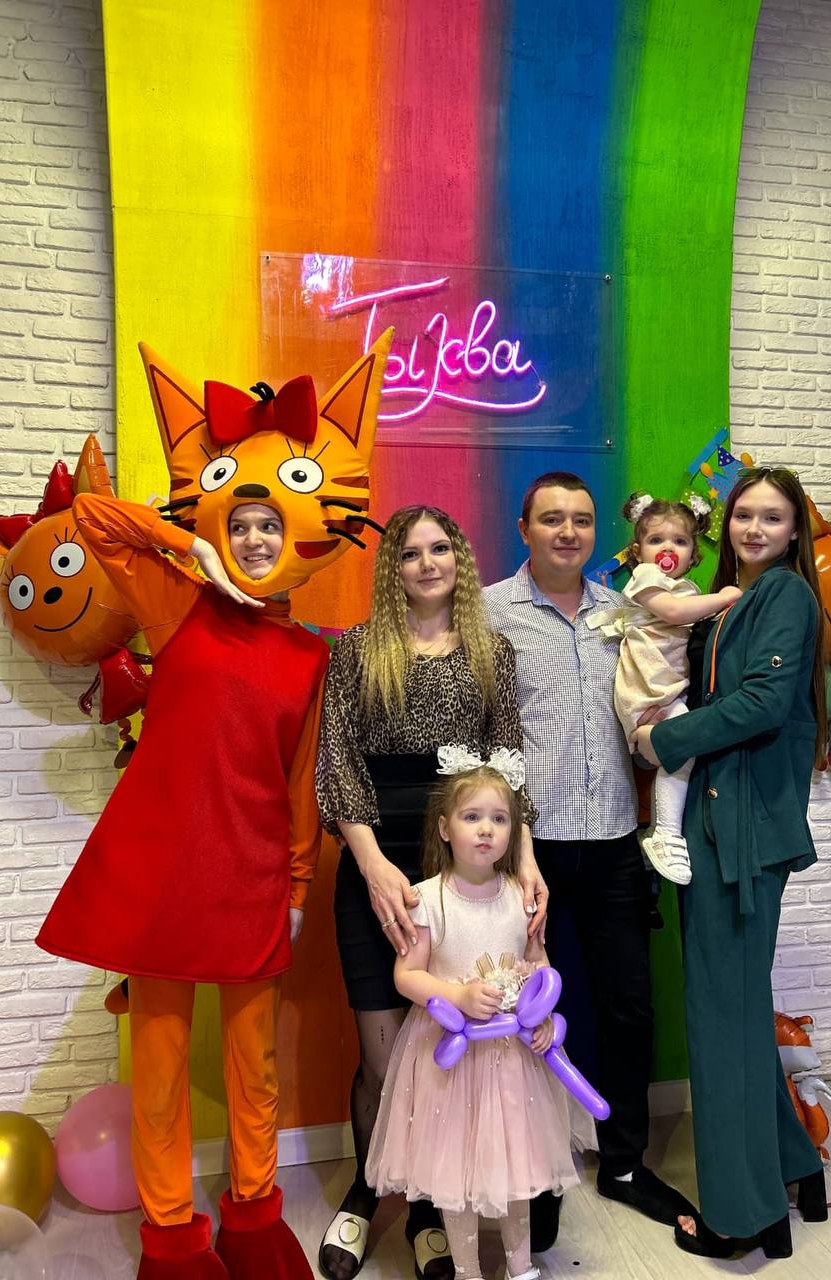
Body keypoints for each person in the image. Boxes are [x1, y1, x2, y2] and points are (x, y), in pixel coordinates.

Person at [37, 497, 326, 1280]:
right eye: (240, 526)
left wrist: (298, 888)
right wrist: (190, 550)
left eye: (270, 525)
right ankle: (170, 1237)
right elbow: (90, 517)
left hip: (254, 878)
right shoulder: (179, 603)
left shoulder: (310, 654)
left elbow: (300, 779)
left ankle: (255, 1221)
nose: (255, 540)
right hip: (163, 880)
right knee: (160, 1072)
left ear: (295, 539)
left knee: (254, 1067)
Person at [315, 506, 546, 1280]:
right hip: (376, 853)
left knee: (448, 1056)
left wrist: (525, 860)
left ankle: (425, 1210)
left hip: (464, 862)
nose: (426, 563)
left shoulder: (490, 650)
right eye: (409, 552)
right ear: (393, 568)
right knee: (385, 1058)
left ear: (459, 558)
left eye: (439, 548)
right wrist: (371, 864)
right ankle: (365, 1192)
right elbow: (337, 759)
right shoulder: (356, 649)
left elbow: (507, 765)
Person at [483, 473, 694, 1252]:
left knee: (627, 1009)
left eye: (580, 519)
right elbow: (480, 731)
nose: (567, 531)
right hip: (525, 850)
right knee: (521, 1016)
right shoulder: (489, 613)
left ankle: (625, 1163)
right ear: (524, 528)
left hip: (611, 840)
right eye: (551, 519)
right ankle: (533, 1172)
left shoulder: (625, 609)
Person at [633, 467, 830, 1260]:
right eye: (745, 514)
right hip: (723, 824)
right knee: (737, 1010)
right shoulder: (731, 601)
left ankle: (741, 1218)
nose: (754, 528)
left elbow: (763, 704)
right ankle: (792, 1170)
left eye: (772, 518)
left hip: (741, 833)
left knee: (721, 1021)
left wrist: (662, 741)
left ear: (794, 530)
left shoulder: (784, 595)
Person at [366, 754, 592, 1280]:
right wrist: (457, 995)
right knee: (456, 1171)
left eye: (499, 818)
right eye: (472, 817)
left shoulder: (520, 896)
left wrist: (543, 1015)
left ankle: (520, 1266)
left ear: (513, 831)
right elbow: (406, 975)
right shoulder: (428, 899)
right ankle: (466, 1270)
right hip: (452, 1064)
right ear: (446, 828)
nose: (486, 829)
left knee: (516, 1164)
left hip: (512, 1062)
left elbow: (539, 965)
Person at [588, 493, 742, 885]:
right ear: (638, 551)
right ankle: (666, 833)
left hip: (666, 689)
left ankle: (661, 830)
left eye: (679, 541)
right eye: (656, 540)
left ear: (693, 553)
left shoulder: (684, 587)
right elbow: (673, 613)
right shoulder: (647, 579)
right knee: (683, 749)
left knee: (680, 755)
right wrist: (724, 598)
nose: (667, 549)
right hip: (646, 688)